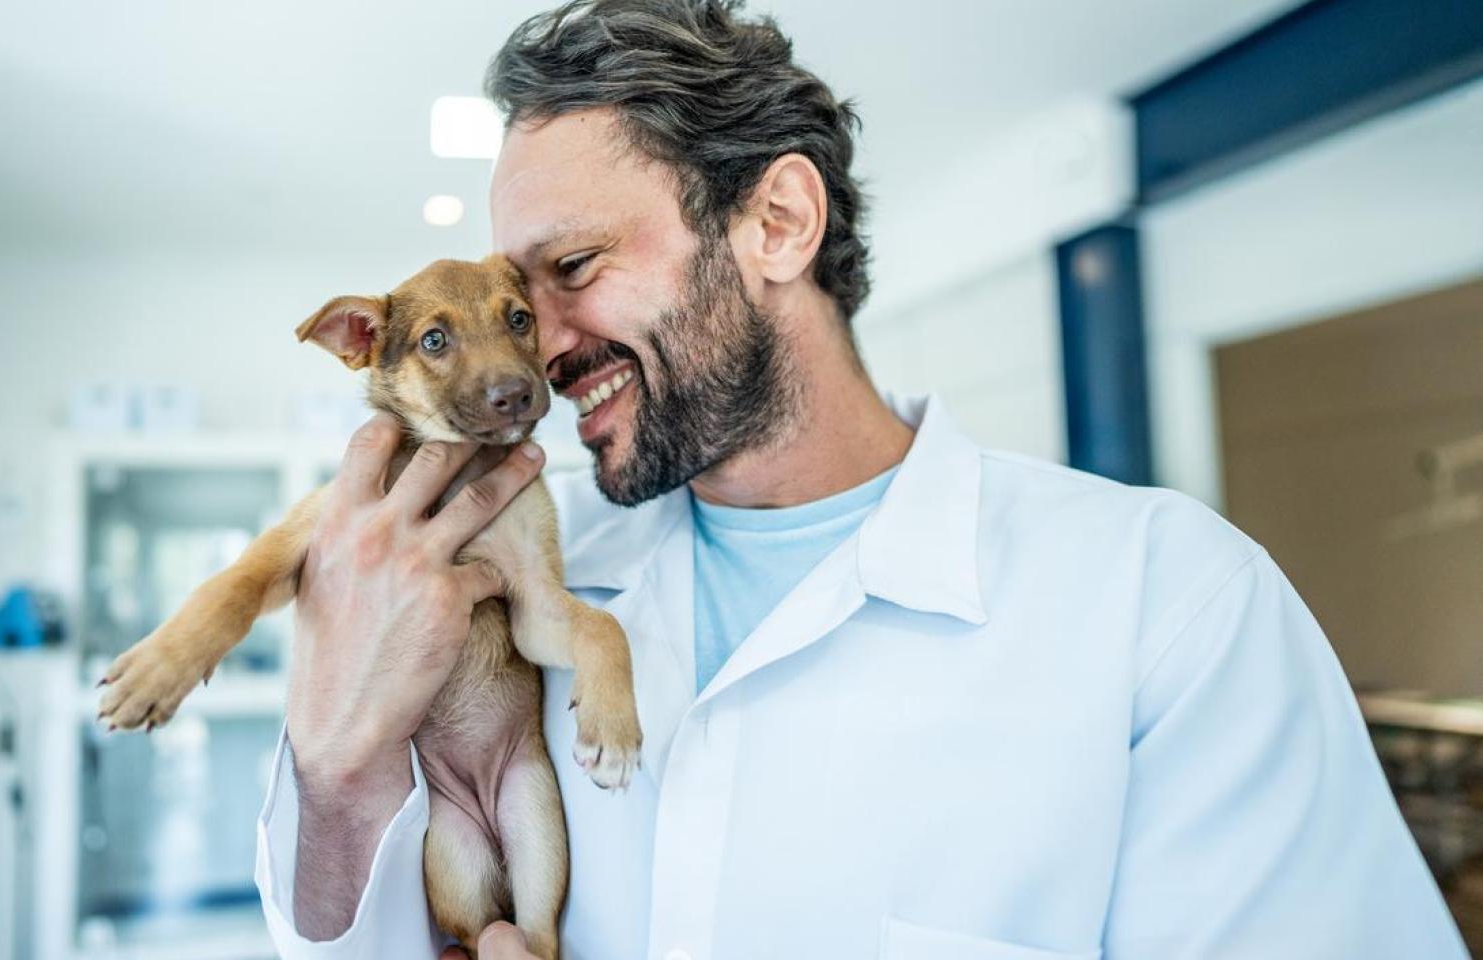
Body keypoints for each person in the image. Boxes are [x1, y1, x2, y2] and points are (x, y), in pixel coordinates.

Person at [253, 1, 1467, 957]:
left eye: (571, 268)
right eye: (516, 298)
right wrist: (333, 753)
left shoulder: (1173, 610)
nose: (535, 346)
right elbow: (348, 935)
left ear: (776, 221)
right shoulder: (504, 565)